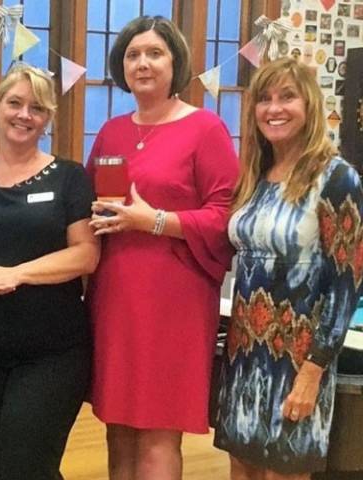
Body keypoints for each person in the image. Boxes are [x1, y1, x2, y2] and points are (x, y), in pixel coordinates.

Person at [86, 15, 239, 480]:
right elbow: (87, 204)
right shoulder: (111, 130)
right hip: (115, 293)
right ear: (121, 65)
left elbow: (225, 216)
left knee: (157, 430)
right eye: (133, 54)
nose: (143, 63)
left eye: (155, 53)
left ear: (177, 63)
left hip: (175, 297)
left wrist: (152, 220)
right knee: (118, 426)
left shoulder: (206, 128)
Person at [0, 63, 99, 480]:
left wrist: (17, 274)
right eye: (15, 103)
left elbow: (85, 255)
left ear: (47, 120)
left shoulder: (69, 178)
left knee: (28, 467)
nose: (24, 114)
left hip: (51, 353)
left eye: (37, 108)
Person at [213, 57, 363, 479]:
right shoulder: (255, 176)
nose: (274, 108)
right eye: (264, 99)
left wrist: (313, 371)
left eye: (287, 97)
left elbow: (346, 283)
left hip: (298, 356)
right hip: (244, 351)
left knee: (285, 471)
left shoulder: (336, 177)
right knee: (241, 468)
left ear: (310, 105)